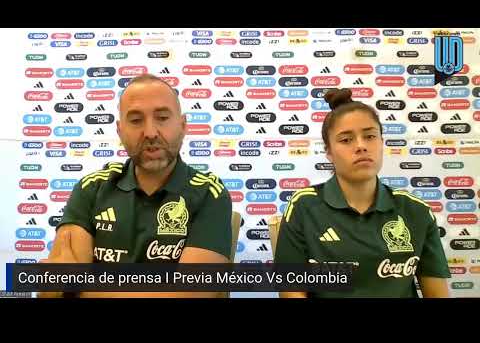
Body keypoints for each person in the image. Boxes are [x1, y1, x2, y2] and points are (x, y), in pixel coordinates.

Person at [39, 73, 232, 298]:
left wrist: (79, 288)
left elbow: (188, 293)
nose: (150, 132)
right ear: (120, 130)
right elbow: (53, 289)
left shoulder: (209, 193)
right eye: (136, 120)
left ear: (183, 125)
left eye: (162, 117)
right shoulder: (91, 189)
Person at [274, 88, 450, 298]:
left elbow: (437, 293)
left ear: (382, 142)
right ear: (329, 152)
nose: (361, 146)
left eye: (370, 136)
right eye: (346, 140)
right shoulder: (303, 207)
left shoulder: (416, 211)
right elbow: (291, 292)